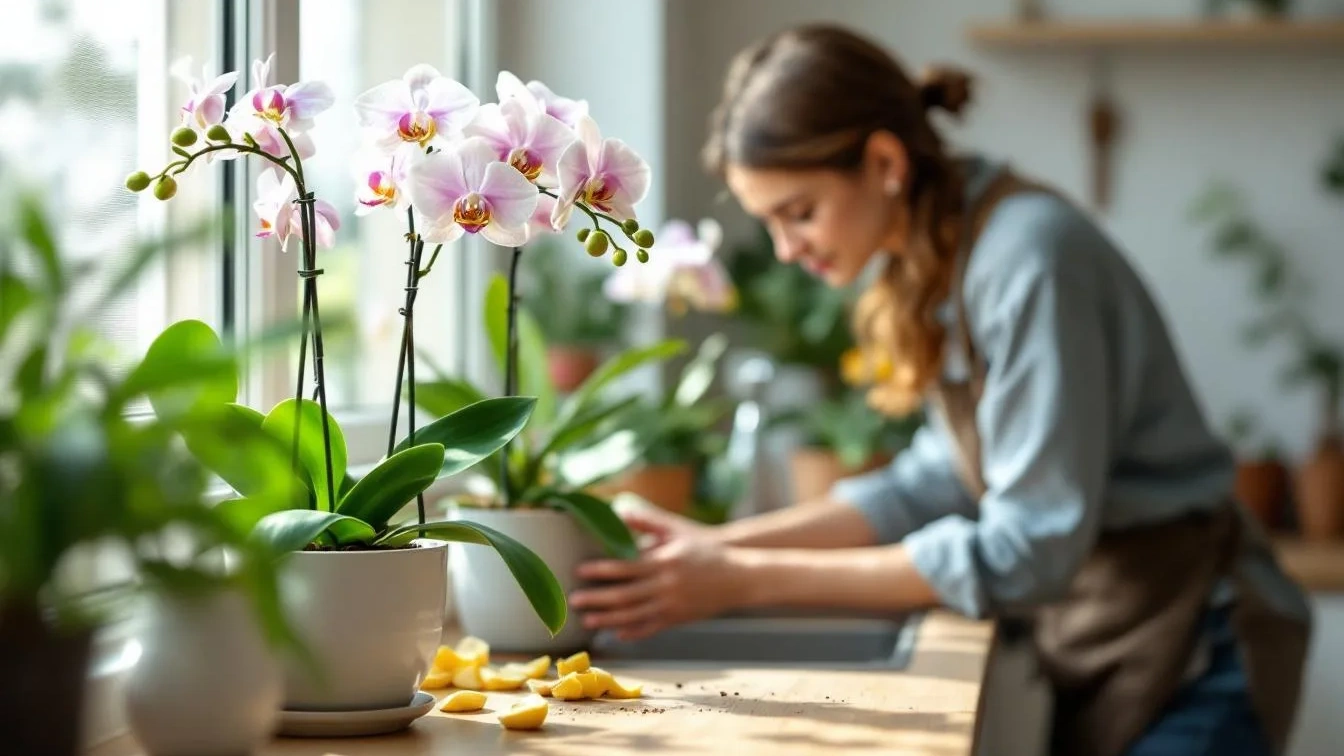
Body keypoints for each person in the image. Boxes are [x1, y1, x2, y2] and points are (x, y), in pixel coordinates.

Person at [569, 22, 1313, 756]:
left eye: (799, 213)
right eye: (769, 223)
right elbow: (940, 478)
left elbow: (1026, 550)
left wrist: (741, 580)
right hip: (1121, 637)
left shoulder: (1027, 260)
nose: (786, 250)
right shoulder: (940, 255)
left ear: (886, 162)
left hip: (1200, 648)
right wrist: (721, 546)